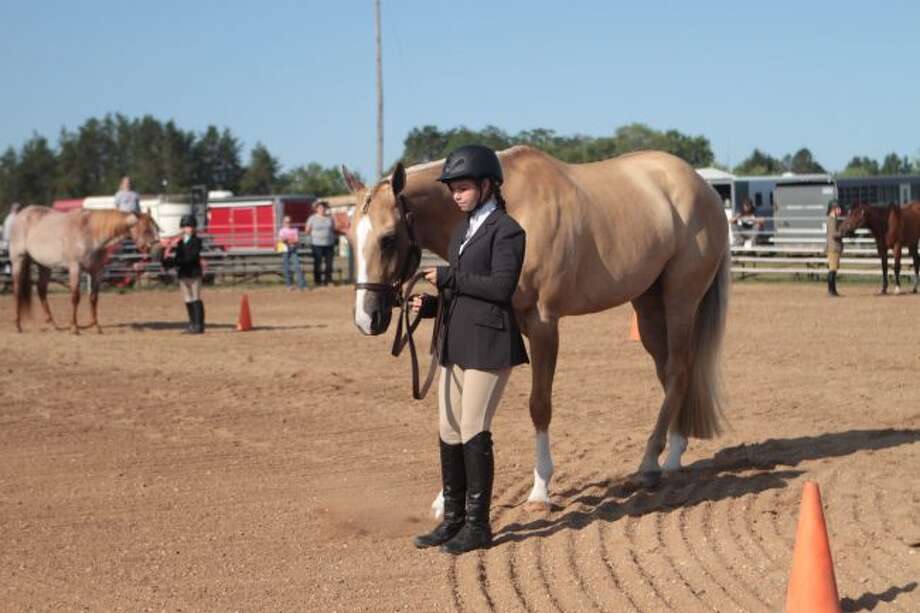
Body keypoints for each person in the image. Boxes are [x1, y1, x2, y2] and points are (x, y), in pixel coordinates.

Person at [409, 144, 529, 555]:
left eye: (462, 188)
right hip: (456, 337)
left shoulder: (508, 230)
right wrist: (431, 304)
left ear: (486, 185)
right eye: (453, 189)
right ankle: (454, 520)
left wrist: (448, 280)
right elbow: (459, 286)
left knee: (474, 427)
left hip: (490, 342)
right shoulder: (461, 230)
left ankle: (479, 526)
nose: (456, 195)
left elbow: (500, 288)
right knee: (448, 428)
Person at [163, 215, 206, 333]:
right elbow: (176, 258)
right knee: (188, 299)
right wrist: (166, 257)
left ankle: (199, 324)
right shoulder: (179, 243)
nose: (190, 228)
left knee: (196, 298)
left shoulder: (197, 241)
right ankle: (192, 323)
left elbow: (191, 257)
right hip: (183, 273)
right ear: (182, 228)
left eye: (192, 226)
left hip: (193, 273)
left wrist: (177, 260)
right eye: (187, 226)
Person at [305, 201, 337, 286]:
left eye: (323, 208)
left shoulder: (329, 218)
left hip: (329, 244)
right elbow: (307, 230)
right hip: (316, 244)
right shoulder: (312, 218)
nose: (322, 209)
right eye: (320, 208)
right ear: (316, 209)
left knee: (329, 264)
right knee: (317, 263)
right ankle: (318, 281)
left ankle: (328, 280)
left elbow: (333, 229)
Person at [278, 216, 306, 291]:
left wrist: (288, 240)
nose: (288, 223)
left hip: (293, 250)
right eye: (286, 222)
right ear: (283, 223)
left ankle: (301, 285)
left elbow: (296, 240)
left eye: (289, 222)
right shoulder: (281, 230)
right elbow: (282, 240)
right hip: (285, 250)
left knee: (297, 267)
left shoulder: (295, 230)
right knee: (286, 268)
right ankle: (289, 285)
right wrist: (290, 240)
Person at [825, 200, 844, 297]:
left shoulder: (833, 219)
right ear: (834, 209)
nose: (840, 210)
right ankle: (831, 290)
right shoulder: (832, 220)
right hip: (833, 247)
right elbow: (833, 234)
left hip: (833, 247)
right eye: (838, 208)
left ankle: (833, 290)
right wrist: (842, 232)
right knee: (832, 270)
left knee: (834, 269)